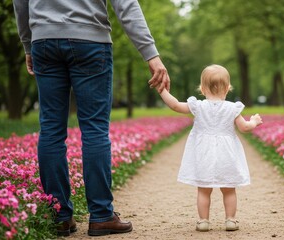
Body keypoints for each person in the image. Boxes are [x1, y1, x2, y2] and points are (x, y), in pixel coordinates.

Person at [13, 0, 170, 237]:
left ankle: (59, 217)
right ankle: (101, 216)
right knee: (95, 129)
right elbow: (126, 5)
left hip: (43, 40)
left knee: (51, 130)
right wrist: (151, 54)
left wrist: (28, 43)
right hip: (90, 41)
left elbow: (20, 3)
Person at [158, 64, 263, 232]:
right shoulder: (232, 108)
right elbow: (244, 127)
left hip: (203, 153)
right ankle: (230, 220)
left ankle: (203, 221)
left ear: (202, 88)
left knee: (204, 190)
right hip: (226, 154)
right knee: (229, 189)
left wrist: (162, 90)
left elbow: (176, 105)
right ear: (228, 88)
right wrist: (254, 122)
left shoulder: (198, 106)